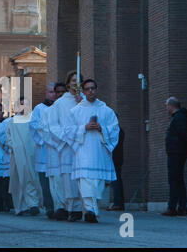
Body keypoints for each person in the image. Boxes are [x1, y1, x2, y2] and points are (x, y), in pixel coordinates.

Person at [66, 79, 119, 223]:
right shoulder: (75, 111)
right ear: (83, 92)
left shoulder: (106, 110)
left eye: (93, 88)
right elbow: (68, 131)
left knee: (96, 184)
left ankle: (91, 209)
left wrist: (102, 129)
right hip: (83, 152)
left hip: (99, 153)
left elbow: (115, 129)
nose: (90, 91)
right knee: (85, 182)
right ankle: (91, 212)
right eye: (87, 89)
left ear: (97, 90)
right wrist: (84, 128)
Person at [43, 72, 84, 222]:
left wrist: (82, 104)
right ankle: (71, 208)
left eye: (79, 81)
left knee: (82, 177)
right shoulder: (60, 103)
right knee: (68, 179)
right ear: (68, 83)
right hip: (67, 146)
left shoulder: (85, 101)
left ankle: (85, 208)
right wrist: (66, 138)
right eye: (73, 80)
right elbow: (53, 125)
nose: (76, 83)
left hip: (82, 145)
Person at [5, 97, 43, 216]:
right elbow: (8, 139)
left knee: (32, 178)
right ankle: (21, 207)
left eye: (26, 105)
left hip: (32, 154)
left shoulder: (33, 120)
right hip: (17, 156)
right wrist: (16, 147)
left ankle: (33, 204)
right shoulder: (11, 122)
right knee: (19, 180)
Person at [29, 83, 57, 218]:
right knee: (45, 182)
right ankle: (49, 207)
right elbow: (34, 126)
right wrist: (44, 138)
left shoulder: (60, 108)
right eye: (50, 92)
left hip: (58, 149)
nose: (53, 94)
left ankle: (60, 206)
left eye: (55, 92)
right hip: (44, 149)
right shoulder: (39, 109)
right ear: (46, 93)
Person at [162, 97, 187, 217]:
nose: (166, 108)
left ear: (171, 106)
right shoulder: (179, 117)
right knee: (178, 180)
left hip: (177, 152)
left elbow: (184, 134)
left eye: (166, 105)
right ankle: (182, 207)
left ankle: (172, 208)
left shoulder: (179, 118)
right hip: (177, 151)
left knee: (174, 179)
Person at [107, 123, 125, 211]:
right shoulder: (119, 130)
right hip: (118, 158)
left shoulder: (115, 131)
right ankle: (118, 203)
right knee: (117, 180)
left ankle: (117, 203)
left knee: (115, 181)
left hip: (114, 158)